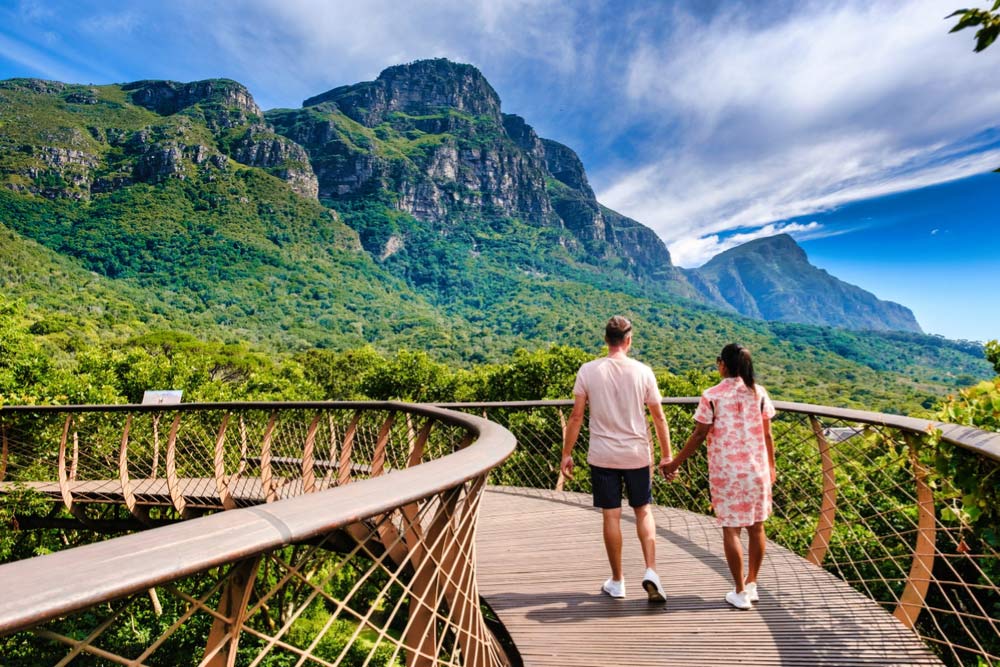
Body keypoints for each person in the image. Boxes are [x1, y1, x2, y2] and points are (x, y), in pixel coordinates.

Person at [561, 315, 673, 603]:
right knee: (643, 511)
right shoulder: (643, 371)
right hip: (637, 455)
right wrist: (667, 455)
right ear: (628, 340)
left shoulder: (588, 370)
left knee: (611, 515)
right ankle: (651, 571)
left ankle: (618, 580)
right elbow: (658, 417)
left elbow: (576, 417)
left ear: (606, 340)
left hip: (602, 455)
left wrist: (567, 453)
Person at [660, 343, 776, 610]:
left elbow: (699, 434)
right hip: (757, 470)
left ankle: (739, 591)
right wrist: (771, 466)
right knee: (757, 526)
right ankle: (752, 584)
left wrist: (674, 462)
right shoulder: (759, 393)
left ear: (722, 364)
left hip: (727, 473)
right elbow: (767, 434)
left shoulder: (712, 395)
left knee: (732, 529)